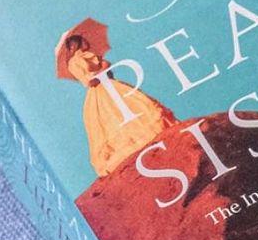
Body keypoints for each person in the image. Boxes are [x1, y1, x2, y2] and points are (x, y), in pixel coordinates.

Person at [53, 18, 175, 178]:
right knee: (114, 117)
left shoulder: (90, 55)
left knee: (134, 105)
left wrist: (106, 67)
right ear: (73, 45)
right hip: (100, 92)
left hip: (111, 85)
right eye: (78, 40)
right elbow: (89, 81)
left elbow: (107, 74)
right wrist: (103, 68)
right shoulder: (74, 62)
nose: (83, 40)